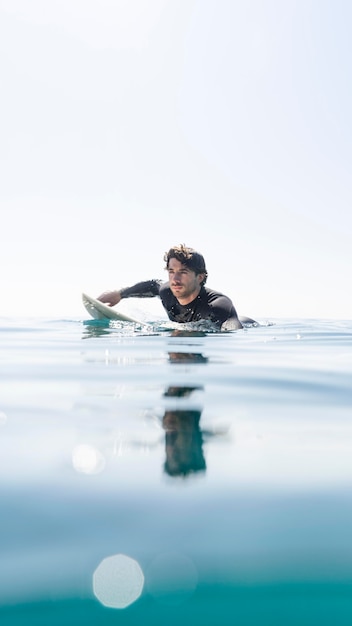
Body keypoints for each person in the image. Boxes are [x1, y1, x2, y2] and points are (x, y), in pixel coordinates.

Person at [97, 244, 255, 330]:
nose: (175, 279)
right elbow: (152, 285)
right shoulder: (167, 292)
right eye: (171, 271)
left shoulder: (218, 305)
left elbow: (233, 331)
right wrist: (119, 294)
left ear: (200, 277)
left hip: (248, 324)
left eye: (183, 272)